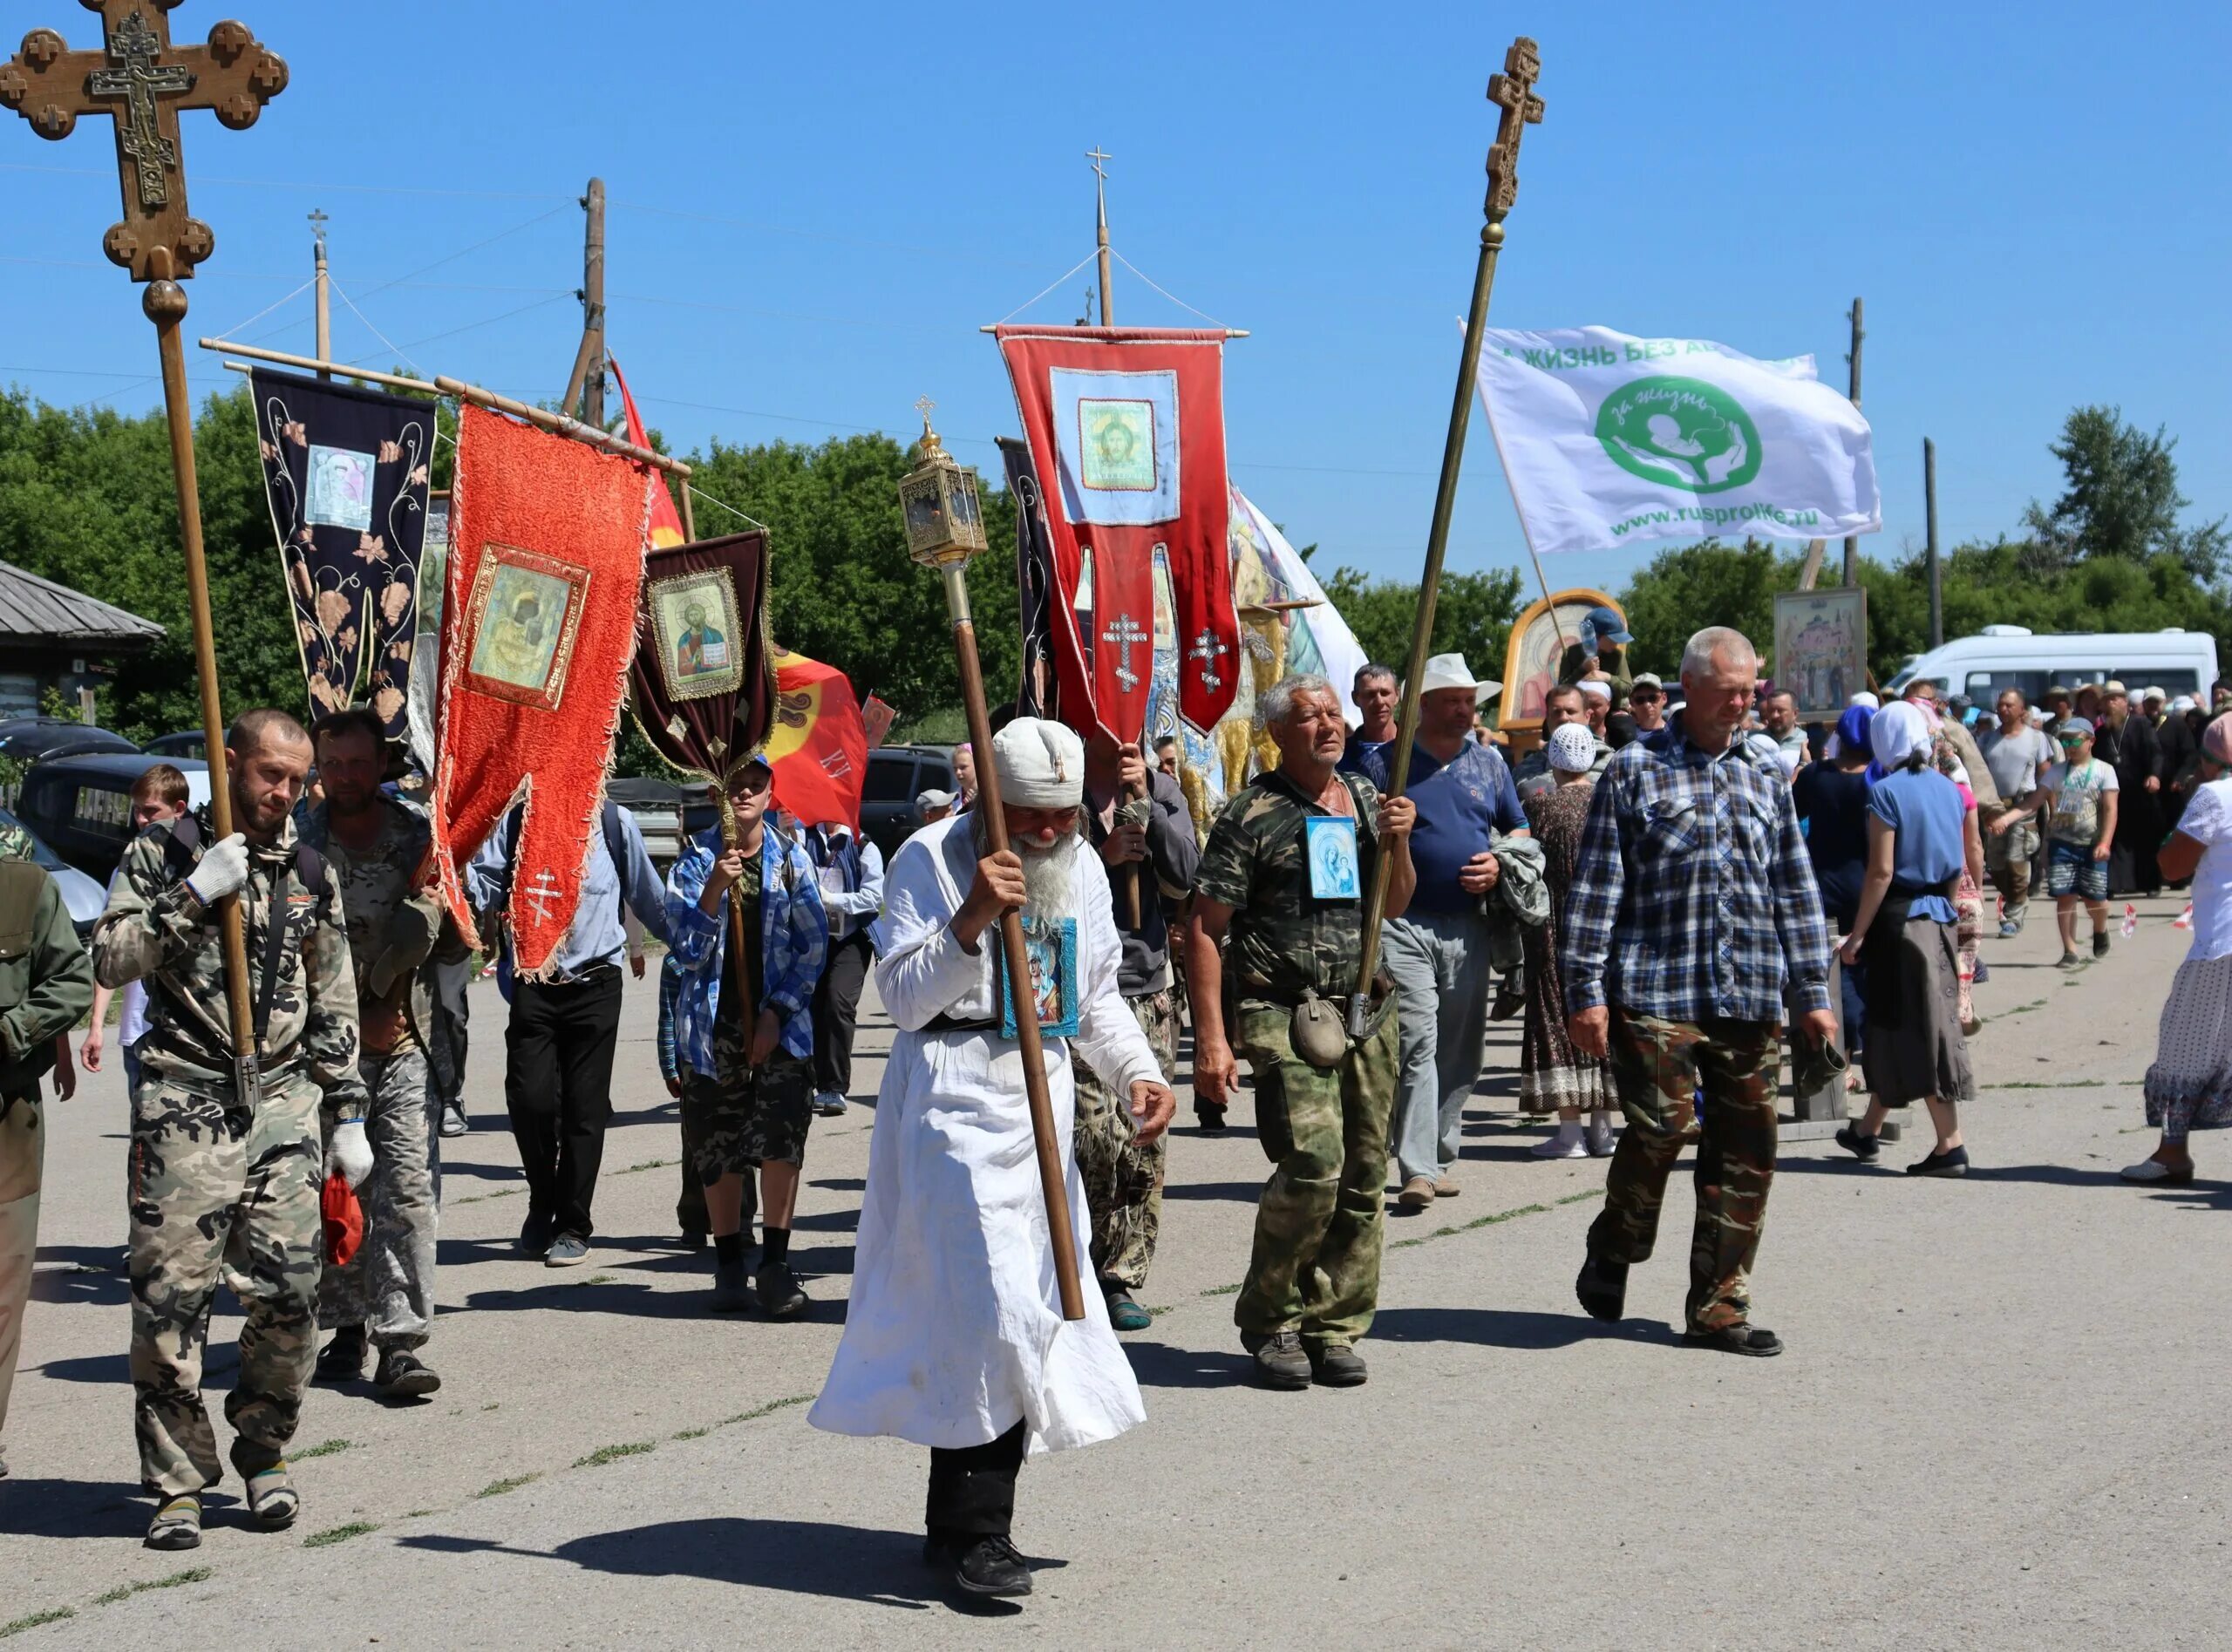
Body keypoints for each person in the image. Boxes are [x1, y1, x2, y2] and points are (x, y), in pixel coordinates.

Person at [810, 718, 1175, 1602]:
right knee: (991, 1300)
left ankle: (956, 1522)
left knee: (1026, 1306)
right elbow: (899, 998)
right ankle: (982, 1530)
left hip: (1040, 1085)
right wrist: (970, 916)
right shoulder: (926, 858)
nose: (1050, 833)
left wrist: (1136, 1069)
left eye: (1062, 815)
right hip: (951, 1092)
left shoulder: (1082, 863)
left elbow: (1091, 996)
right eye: (1031, 817)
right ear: (985, 802)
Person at [93, 709, 370, 1549]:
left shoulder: (311, 868)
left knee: (291, 1292)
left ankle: (263, 1448)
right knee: (171, 1302)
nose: (282, 792)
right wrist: (192, 894)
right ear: (230, 762)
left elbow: (335, 995)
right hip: (184, 1099)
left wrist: (349, 1110)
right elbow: (109, 957)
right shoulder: (166, 852)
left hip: (283, 1102)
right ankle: (179, 1480)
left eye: (296, 779)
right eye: (267, 775)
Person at [1563, 629, 1835, 1357]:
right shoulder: (1633, 769)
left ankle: (1719, 1306)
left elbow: (1794, 884)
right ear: (1691, 688)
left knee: (1747, 1152)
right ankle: (1616, 1240)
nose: (1742, 705)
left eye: (1750, 692)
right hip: (1655, 988)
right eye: (1728, 693)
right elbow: (1598, 886)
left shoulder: (1765, 769)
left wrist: (1813, 988)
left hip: (1748, 993)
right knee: (1659, 1129)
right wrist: (1584, 989)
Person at [1189, 675, 1417, 1390]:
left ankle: (1336, 1324)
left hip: (1366, 1009)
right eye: (1310, 714)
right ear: (1278, 733)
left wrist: (1398, 845)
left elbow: (1398, 899)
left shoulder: (1367, 799)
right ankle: (1272, 1317)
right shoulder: (1251, 813)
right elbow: (1202, 927)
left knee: (1366, 1173)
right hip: (1282, 1010)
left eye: (1332, 712)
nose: (1328, 722)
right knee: (1315, 1161)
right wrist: (1212, 1039)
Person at [302, 710, 457, 1399]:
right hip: (320, 1047)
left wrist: (439, 915)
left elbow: (455, 942)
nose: (344, 777)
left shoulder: (415, 840)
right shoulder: (298, 845)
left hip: (402, 1043)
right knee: (335, 1187)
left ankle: (401, 1339)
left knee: (406, 1188)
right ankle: (344, 1326)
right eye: (332, 765)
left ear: (381, 767)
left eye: (357, 764)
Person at [466, 798, 671, 1267]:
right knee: (529, 1098)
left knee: (585, 1108)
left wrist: (695, 945)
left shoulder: (614, 823)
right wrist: (450, 858)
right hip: (534, 980)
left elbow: (649, 897)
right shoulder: (519, 819)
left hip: (596, 983)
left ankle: (574, 1224)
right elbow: (483, 887)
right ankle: (543, 1199)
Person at [1359, 653, 1525, 1207]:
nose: (1463, 710)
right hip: (1402, 924)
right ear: (1423, 706)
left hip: (1469, 927)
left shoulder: (1490, 764)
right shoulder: (1386, 763)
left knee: (1461, 1049)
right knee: (1418, 1042)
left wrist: (1501, 861)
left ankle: (1441, 1152)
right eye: (1452, 701)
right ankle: (1418, 1168)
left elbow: (1520, 830)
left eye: (1469, 701)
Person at [664, 757, 827, 1315]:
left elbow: (813, 946)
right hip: (713, 1034)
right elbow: (684, 951)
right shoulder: (693, 862)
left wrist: (777, 1012)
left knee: (782, 1139)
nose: (746, 793)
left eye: (756, 784)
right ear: (719, 792)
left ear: (770, 792)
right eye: (736, 784)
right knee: (719, 1147)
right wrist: (714, 890)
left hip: (779, 1029)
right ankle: (729, 1261)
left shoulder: (792, 861)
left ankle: (776, 1264)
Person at [1074, 738, 1197, 1328]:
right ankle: (1077, 1261)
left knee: (1142, 1133)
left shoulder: (1161, 787)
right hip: (1075, 984)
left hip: (1146, 982)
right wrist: (1102, 854)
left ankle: (1121, 1273)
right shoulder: (1060, 785)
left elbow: (1187, 876)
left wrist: (1147, 807)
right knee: (1090, 1133)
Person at [1833, 704, 1979, 1175]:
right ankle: (1867, 1130)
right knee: (1896, 1023)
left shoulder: (1884, 793)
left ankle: (1949, 1144)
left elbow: (1882, 871)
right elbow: (1957, 866)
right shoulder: (1950, 790)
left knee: (1916, 1025)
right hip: (1939, 916)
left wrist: (1857, 934)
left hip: (1900, 920)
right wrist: (1950, 915)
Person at [0, 834, 94, 1480]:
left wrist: (11, 1030)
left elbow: (72, 980)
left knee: (2, 1289)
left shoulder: (25, 889)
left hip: (5, 1124)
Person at [2121, 712, 2232, 1184]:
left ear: (2209, 760)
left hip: (2221, 944)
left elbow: (2171, 865)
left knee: (2184, 1042)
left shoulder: (2215, 796)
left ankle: (2172, 1153)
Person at [1521, 723, 1616, 1157]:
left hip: (1553, 928)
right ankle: (1602, 1129)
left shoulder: (1540, 810)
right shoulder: (1608, 804)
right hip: (1603, 928)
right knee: (1600, 1016)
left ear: (1553, 761)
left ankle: (1570, 1133)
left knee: (1556, 1016)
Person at [80, 764, 192, 1100]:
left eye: (151, 811)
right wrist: (97, 1025)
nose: (142, 820)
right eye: (138, 811)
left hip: (185, 1034)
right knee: (143, 1144)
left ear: (179, 809)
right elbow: (109, 950)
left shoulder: (199, 866)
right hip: (138, 1032)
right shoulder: (128, 869)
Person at [1792, 702, 1876, 1078]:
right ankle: (1871, 1053)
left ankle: (1838, 1054)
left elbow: (1791, 815)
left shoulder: (1815, 776)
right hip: (1869, 885)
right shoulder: (1879, 778)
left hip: (1822, 885)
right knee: (1868, 970)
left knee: (1830, 972)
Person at [806, 817, 884, 1117]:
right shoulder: (803, 841)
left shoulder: (865, 847)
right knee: (810, 1005)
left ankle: (834, 1087)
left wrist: (831, 899)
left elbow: (873, 899)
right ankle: (808, 1080)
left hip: (852, 938)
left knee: (838, 1003)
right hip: (812, 937)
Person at [2042, 717, 2119, 967]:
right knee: (2066, 897)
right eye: (2065, 741)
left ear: (2090, 741)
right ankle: (2070, 950)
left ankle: (2100, 929)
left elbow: (2110, 810)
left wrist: (2105, 842)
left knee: (2094, 898)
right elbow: (2037, 799)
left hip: (2092, 844)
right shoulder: (2057, 771)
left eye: (2075, 740)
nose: (2070, 745)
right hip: (2062, 843)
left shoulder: (2104, 770)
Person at [1977, 689, 2053, 936]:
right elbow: (1978, 774)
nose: (2003, 709)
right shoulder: (1986, 740)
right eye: (2000, 705)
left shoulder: (2036, 738)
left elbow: (2046, 774)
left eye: (2009, 705)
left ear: (2022, 710)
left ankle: (2014, 915)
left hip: (2025, 806)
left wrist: (2052, 806)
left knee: (2016, 860)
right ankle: (2014, 900)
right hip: (1994, 808)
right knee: (1996, 864)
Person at [2102, 683, 2163, 895]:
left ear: (2124, 702)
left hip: (2141, 791)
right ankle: (2115, 883)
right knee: (2116, 838)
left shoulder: (2141, 725)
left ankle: (2150, 884)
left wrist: (2154, 775)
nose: (2111, 704)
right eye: (2107, 699)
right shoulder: (2102, 733)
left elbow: (2155, 753)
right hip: (2114, 794)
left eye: (2115, 699)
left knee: (2144, 839)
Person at [1514, 683, 1597, 799]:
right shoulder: (1526, 767)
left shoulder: (1609, 762)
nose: (1563, 717)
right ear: (1548, 717)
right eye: (1557, 712)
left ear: (1587, 716)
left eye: (1571, 711)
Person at [1559, 606, 1633, 707]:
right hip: (1577, 709)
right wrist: (1582, 669)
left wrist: (1608, 677)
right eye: (1612, 639)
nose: (1616, 643)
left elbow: (1628, 688)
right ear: (1596, 636)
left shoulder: (1617, 656)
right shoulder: (1571, 654)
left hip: (1611, 711)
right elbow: (1561, 689)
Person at [1339, 662, 1398, 777]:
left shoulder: (1417, 749)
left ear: (1397, 695)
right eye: (1370, 694)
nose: (1379, 702)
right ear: (1355, 698)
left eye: (1385, 693)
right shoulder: (1340, 755)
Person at [1762, 690, 1808, 767]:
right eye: (1771, 710)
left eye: (1780, 711)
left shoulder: (1807, 741)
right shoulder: (1754, 740)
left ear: (1795, 713)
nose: (1775, 716)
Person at [1627, 672, 1669, 738]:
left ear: (1664, 698)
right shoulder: (1628, 740)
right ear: (1632, 703)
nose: (1647, 705)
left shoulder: (1678, 736)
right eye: (1640, 700)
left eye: (1653, 698)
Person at [951, 742, 978, 811]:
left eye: (963, 767)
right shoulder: (953, 798)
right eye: (955, 768)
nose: (958, 772)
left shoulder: (989, 795)